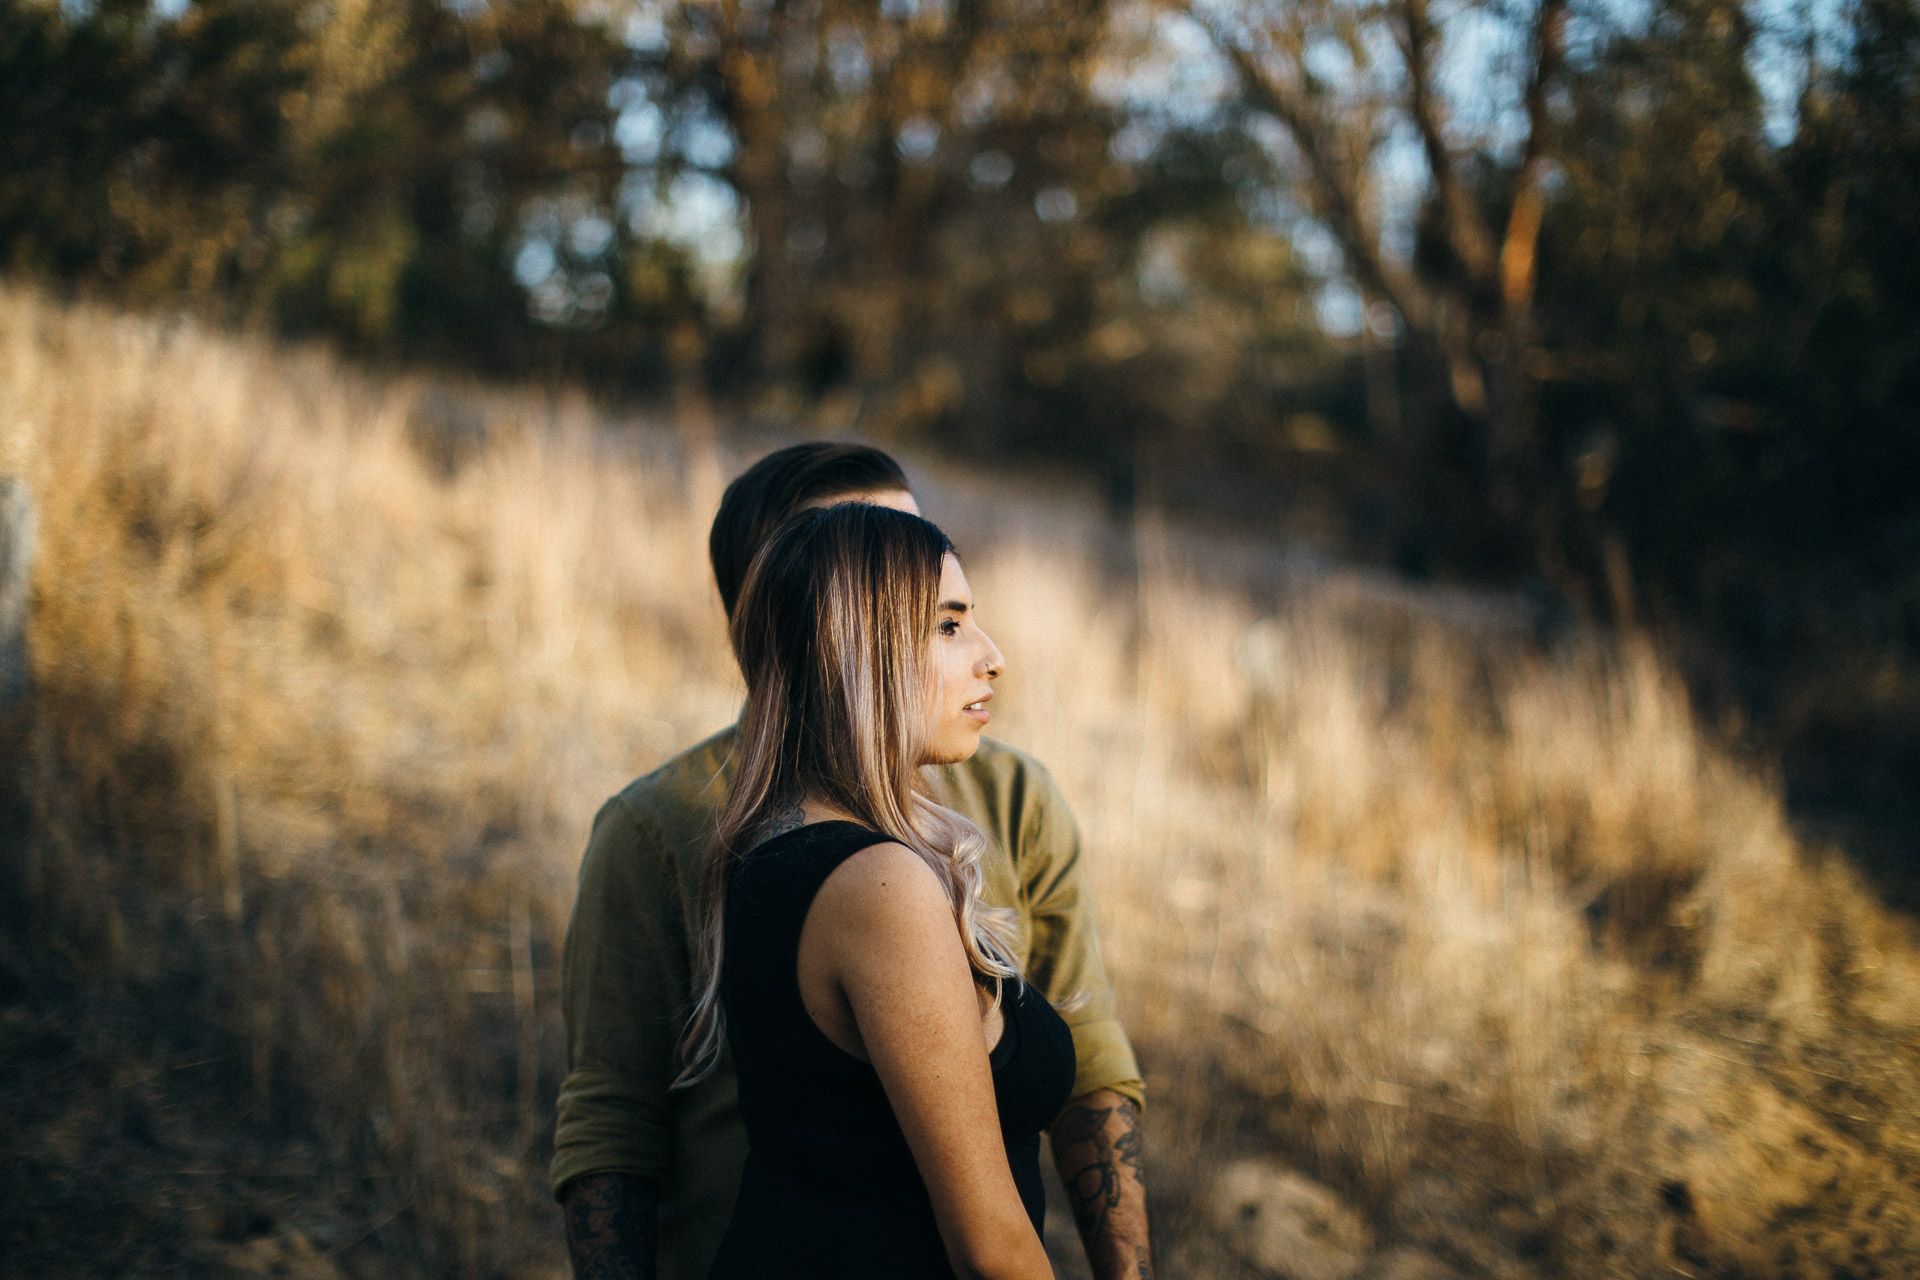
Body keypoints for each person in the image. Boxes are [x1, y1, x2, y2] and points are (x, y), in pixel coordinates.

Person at [552, 444, 1152, 1280]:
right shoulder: (712, 839)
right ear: (825, 623)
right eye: (930, 613)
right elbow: (611, 1119)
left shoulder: (975, 803)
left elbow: (1089, 1057)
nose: (988, 652)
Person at [698, 500, 1071, 1278]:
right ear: (856, 651)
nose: (991, 655)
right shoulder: (878, 887)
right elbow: (993, 1249)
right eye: (948, 625)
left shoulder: (773, 845)